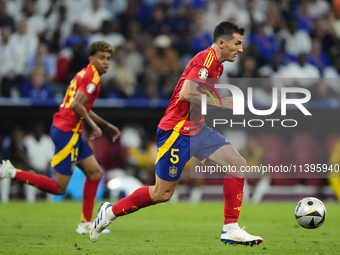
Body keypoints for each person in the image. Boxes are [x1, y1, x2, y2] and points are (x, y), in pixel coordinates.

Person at [89, 22, 263, 246]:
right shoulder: (205, 59)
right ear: (222, 42)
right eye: (237, 44)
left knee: (237, 164)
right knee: (161, 193)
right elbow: (186, 93)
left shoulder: (218, 65)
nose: (240, 49)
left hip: (197, 128)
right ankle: (109, 212)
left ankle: (230, 228)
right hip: (176, 131)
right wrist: (221, 102)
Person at [0, 41, 120, 234]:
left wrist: (106, 126)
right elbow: (76, 106)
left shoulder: (86, 73)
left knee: (95, 173)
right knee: (58, 187)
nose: (106, 62)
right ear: (91, 58)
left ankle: (85, 224)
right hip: (68, 133)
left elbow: (82, 107)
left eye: (108, 58)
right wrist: (95, 127)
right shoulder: (92, 78)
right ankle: (12, 172)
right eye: (101, 58)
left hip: (71, 131)